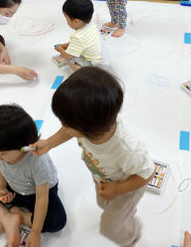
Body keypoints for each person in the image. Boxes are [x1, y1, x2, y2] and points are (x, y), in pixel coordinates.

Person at [30, 67, 155, 246]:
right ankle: (123, 216)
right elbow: (69, 131)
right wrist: (49, 143)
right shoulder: (91, 127)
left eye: (66, 123)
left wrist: (118, 189)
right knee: (103, 204)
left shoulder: (126, 148)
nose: (63, 126)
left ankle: (131, 236)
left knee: (110, 227)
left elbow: (147, 174)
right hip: (103, 178)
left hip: (127, 187)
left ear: (86, 129)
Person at [0, 104, 66, 247]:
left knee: (57, 221)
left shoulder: (38, 161)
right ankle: (8, 219)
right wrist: (0, 188)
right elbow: (0, 167)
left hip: (38, 193)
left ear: (24, 147)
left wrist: (35, 232)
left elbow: (42, 198)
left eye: (3, 153)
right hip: (14, 187)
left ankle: (21, 216)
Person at [54, 0, 108, 71]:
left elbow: (68, 56)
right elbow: (80, 43)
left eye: (67, 19)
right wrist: (64, 45)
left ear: (76, 21)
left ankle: (83, 73)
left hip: (97, 68)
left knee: (71, 60)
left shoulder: (78, 37)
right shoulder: (91, 24)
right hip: (103, 61)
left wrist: (60, 49)